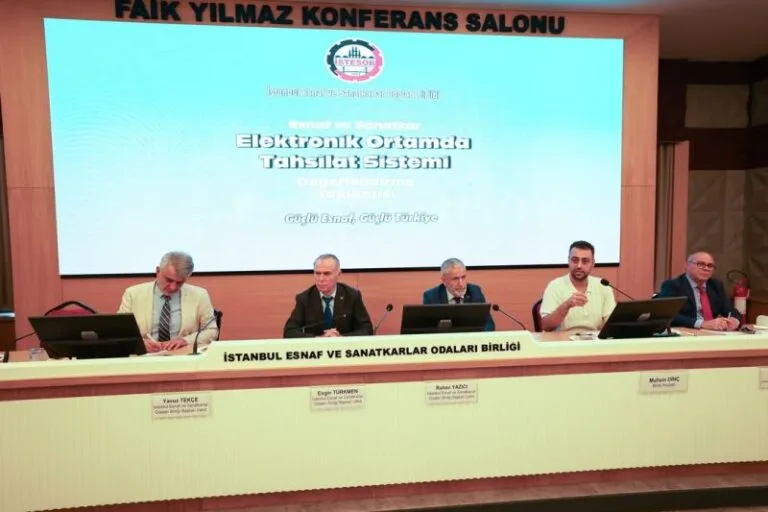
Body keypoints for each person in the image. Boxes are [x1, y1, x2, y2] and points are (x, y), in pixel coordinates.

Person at [118, 251, 217, 353]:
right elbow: (120, 331)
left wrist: (185, 340)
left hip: (183, 355)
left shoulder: (200, 295)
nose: (173, 287)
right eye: (169, 280)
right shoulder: (133, 294)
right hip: (144, 355)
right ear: (157, 271)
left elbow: (211, 330)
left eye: (179, 282)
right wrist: (140, 343)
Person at [283, 254, 373, 338]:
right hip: (316, 348)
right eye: (317, 273)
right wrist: (319, 339)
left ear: (338, 274)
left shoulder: (352, 296)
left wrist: (341, 338)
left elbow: (367, 329)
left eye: (326, 274)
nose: (321, 279)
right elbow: (289, 332)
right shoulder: (304, 298)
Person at [540, 240, 616, 332]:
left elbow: (612, 324)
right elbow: (546, 326)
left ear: (593, 263)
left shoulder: (603, 287)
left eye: (585, 261)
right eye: (575, 260)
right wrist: (566, 305)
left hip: (594, 340)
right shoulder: (554, 286)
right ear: (568, 261)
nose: (579, 266)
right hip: (563, 340)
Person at [656, 251, 740, 331]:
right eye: (700, 264)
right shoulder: (673, 285)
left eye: (710, 266)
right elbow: (665, 314)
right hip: (688, 332)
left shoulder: (715, 285)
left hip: (713, 332)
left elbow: (730, 309)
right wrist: (702, 324)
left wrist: (734, 320)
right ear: (687, 265)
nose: (706, 268)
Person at [422, 258, 495, 331]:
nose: (461, 284)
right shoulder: (431, 296)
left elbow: (488, 323)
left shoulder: (475, 292)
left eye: (463, 277)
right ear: (444, 280)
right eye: (455, 279)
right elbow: (428, 328)